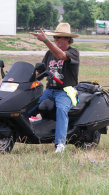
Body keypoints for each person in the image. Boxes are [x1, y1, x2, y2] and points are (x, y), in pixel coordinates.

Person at [29, 23, 79, 153]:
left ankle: (60, 144)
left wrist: (45, 40)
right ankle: (18, 133)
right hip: (49, 89)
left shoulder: (73, 52)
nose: (56, 40)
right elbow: (40, 72)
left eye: (60, 37)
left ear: (68, 39)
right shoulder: (48, 54)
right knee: (30, 106)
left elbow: (61, 56)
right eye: (55, 37)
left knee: (61, 110)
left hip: (65, 90)